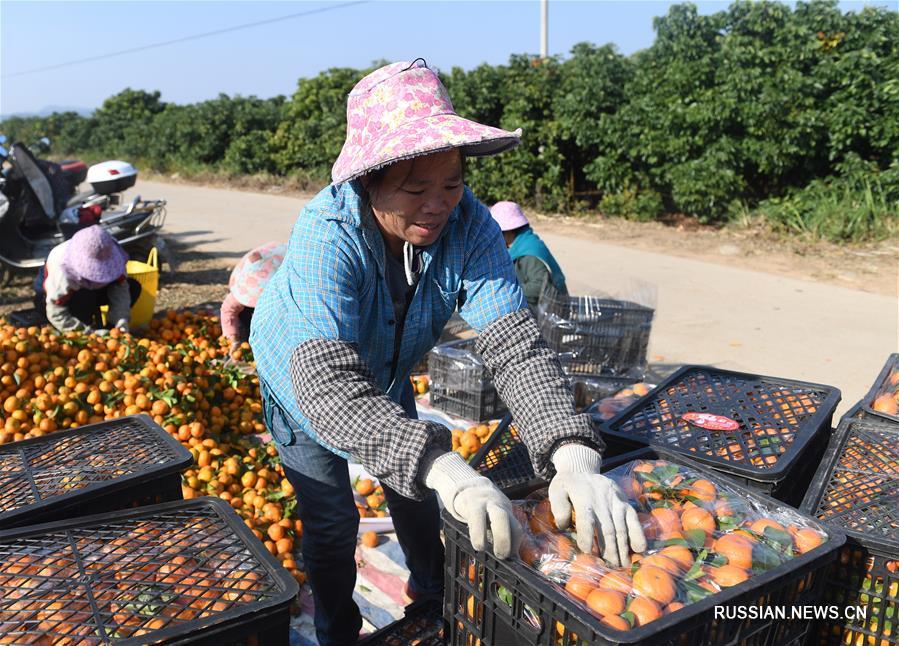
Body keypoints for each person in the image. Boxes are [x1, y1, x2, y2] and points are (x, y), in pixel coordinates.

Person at [250, 60, 645, 646]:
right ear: (369, 181)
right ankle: (337, 631)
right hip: (302, 380)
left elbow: (514, 346)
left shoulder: (472, 226)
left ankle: (433, 599)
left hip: (384, 378)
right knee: (334, 521)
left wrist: (570, 450)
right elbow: (327, 384)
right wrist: (443, 465)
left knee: (421, 488)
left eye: (452, 183)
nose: (438, 204)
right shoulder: (326, 234)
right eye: (415, 188)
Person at [33, 225, 140, 334]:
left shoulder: (108, 251)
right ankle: (82, 330)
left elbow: (120, 287)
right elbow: (55, 311)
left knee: (133, 287)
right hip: (53, 299)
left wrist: (120, 319)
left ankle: (111, 331)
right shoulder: (62, 270)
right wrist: (88, 333)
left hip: (89, 291)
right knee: (85, 300)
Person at [490, 201, 568, 311]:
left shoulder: (528, 253)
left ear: (509, 231)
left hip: (551, 311)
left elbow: (540, 286)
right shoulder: (521, 243)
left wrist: (508, 289)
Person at [220, 242, 286, 350]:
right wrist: (233, 338)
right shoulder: (242, 285)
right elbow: (228, 310)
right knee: (246, 317)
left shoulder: (286, 285)